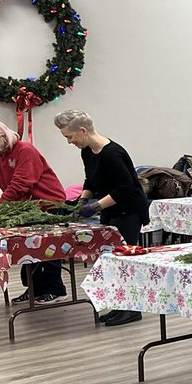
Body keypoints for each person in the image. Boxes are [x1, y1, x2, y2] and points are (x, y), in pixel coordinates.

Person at [54, 109, 150, 327]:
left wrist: (95, 207)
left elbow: (125, 189)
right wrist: (81, 201)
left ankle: (132, 309)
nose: (69, 142)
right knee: (111, 260)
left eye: (70, 137)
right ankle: (119, 305)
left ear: (83, 130)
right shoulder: (88, 151)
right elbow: (90, 180)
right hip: (112, 211)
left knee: (125, 259)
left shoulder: (112, 154)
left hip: (129, 211)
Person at [0, 121, 67, 302]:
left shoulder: (24, 150)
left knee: (48, 249)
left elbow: (21, 183)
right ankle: (35, 289)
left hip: (49, 205)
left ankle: (55, 290)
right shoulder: (1, 155)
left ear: (3, 136)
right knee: (29, 249)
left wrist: (1, 206)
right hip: (27, 208)